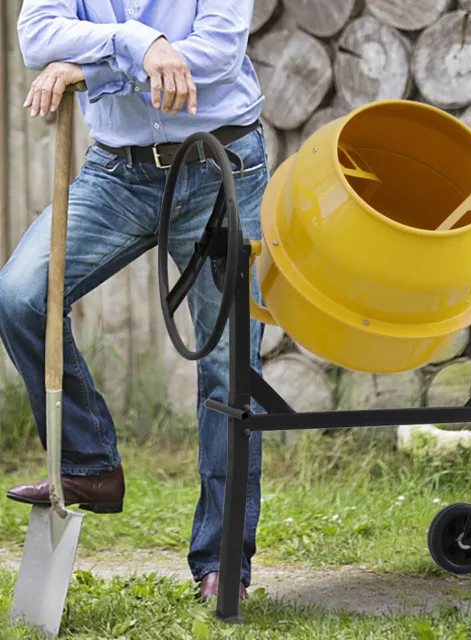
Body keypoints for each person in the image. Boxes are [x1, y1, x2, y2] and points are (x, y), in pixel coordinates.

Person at [1, 0, 267, 603]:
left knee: (230, 370)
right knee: (21, 294)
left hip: (220, 165)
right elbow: (37, 34)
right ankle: (89, 463)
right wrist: (139, 41)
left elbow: (217, 54)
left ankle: (223, 565)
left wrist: (93, 68)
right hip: (114, 174)